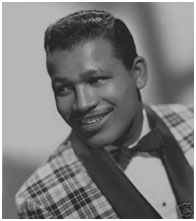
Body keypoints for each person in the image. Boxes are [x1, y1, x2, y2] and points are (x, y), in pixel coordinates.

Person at [15, 10, 193, 219]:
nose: (82, 104)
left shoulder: (190, 122)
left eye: (96, 80)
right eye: (63, 88)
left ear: (138, 73)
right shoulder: (42, 199)